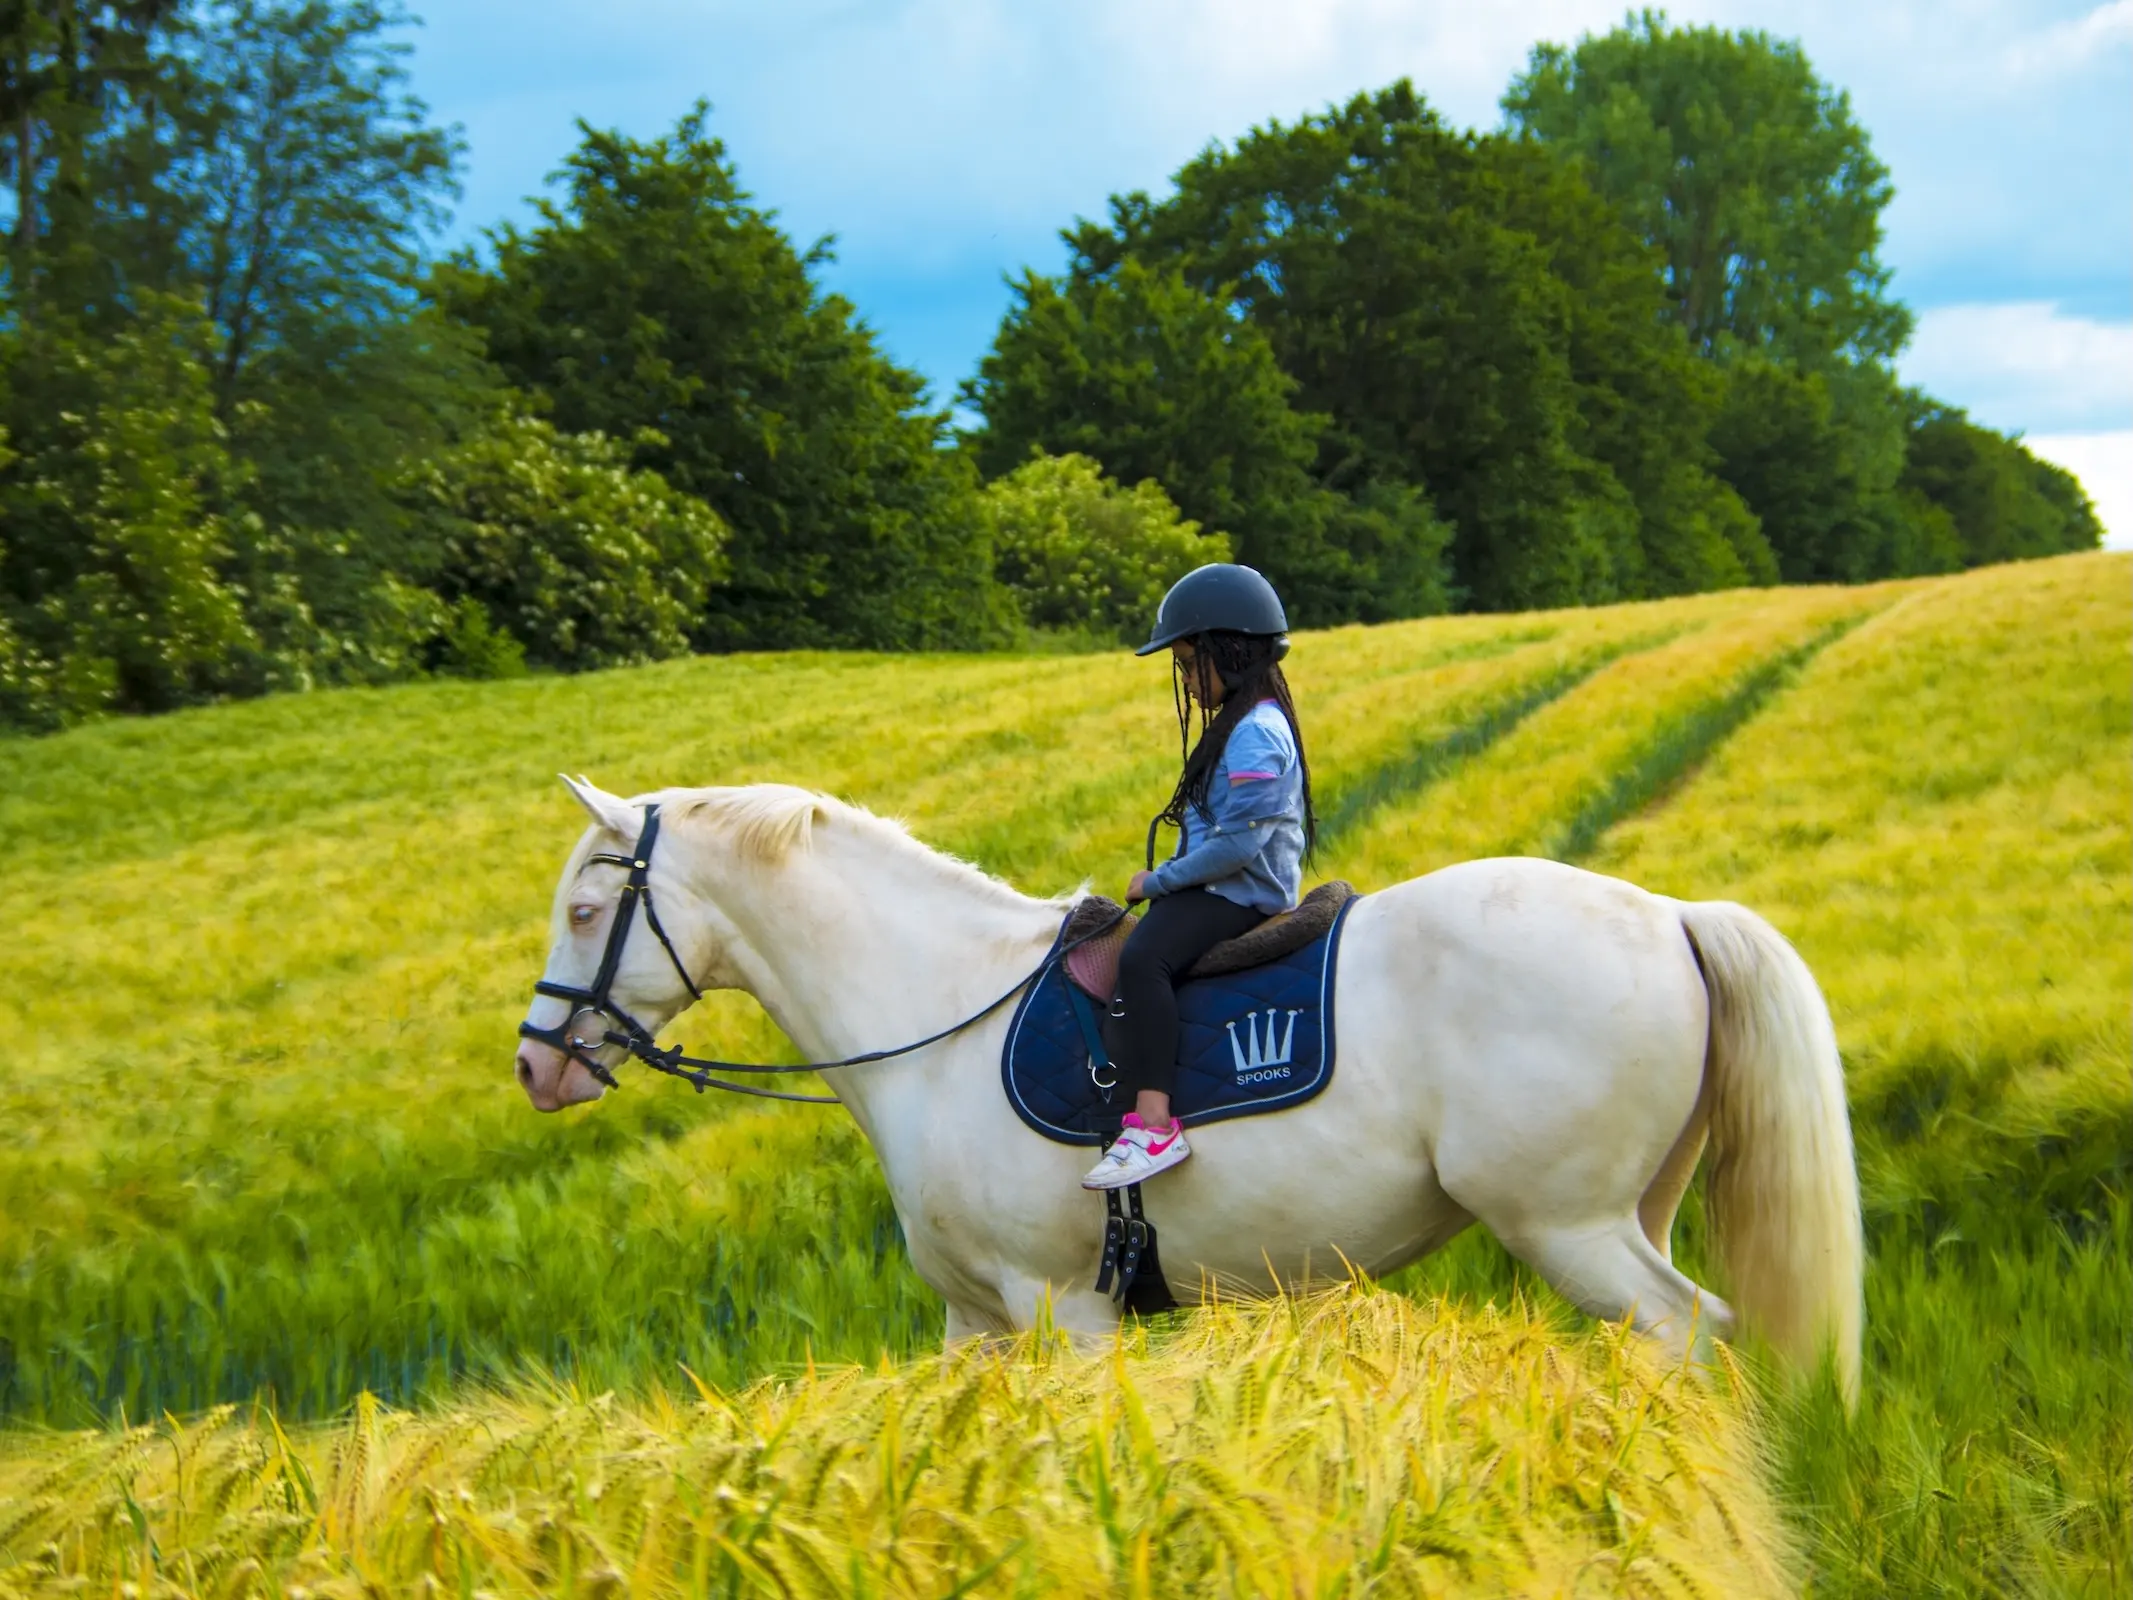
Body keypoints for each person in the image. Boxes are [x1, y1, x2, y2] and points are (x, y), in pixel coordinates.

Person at [1082, 563, 1316, 1191]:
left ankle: (1154, 1125)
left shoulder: (1256, 734)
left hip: (1238, 893)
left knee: (1144, 960)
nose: (1186, 680)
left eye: (1191, 663)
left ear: (1231, 651)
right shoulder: (1243, 723)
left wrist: (1158, 881)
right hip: (1220, 885)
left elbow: (1239, 847)